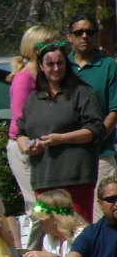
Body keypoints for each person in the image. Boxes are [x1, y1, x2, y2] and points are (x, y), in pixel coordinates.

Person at [16, 42, 105, 223]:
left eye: (60, 63)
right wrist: (27, 147)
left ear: (67, 64)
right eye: (50, 64)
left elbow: (95, 130)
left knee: (77, 229)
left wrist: (61, 139)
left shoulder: (82, 92)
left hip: (75, 177)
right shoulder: (33, 99)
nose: (56, 68)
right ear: (41, 66)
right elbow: (21, 132)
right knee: (49, 228)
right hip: (43, 179)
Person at [66, 13, 117, 221]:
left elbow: (114, 110)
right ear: (70, 36)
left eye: (90, 32)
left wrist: (96, 137)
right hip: (67, 155)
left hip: (100, 153)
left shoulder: (108, 65)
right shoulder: (62, 66)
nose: (84, 36)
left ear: (97, 35)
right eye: (79, 32)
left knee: (103, 215)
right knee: (71, 216)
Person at [6, 26, 59, 222]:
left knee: (52, 203)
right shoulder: (24, 79)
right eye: (48, 44)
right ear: (36, 49)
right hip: (25, 146)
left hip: (44, 145)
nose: (54, 48)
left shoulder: (46, 76)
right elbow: (19, 122)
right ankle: (38, 241)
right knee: (37, 204)